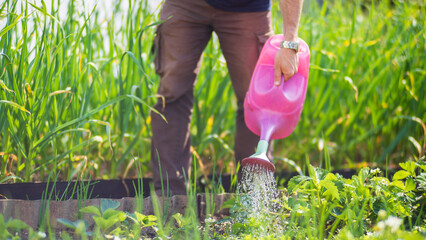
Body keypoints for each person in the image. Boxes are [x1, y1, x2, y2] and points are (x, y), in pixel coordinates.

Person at [150, 0, 303, 196]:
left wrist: (290, 42)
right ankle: (169, 200)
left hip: (247, 9)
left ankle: (253, 199)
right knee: (171, 95)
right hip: (185, 5)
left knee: (257, 103)